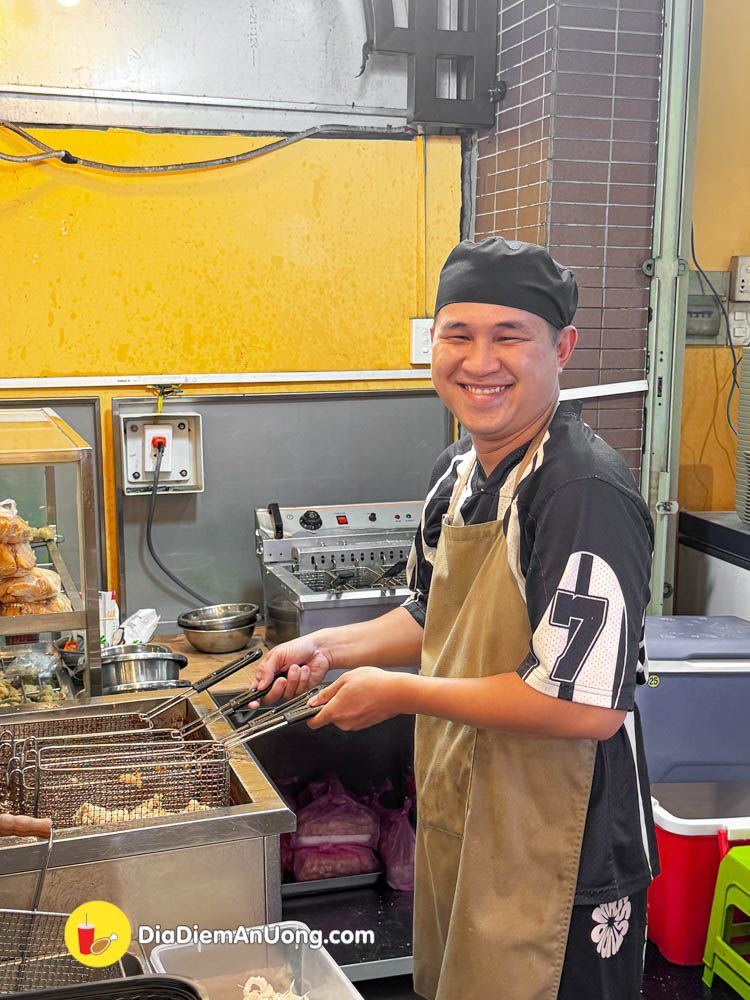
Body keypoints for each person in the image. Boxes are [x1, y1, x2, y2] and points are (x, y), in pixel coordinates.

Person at [253, 237, 659, 1000]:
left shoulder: (581, 493)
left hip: (565, 842)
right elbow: (431, 611)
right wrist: (326, 647)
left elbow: (585, 707)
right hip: (472, 811)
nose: (480, 361)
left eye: (510, 336)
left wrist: (400, 693)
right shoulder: (458, 470)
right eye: (458, 335)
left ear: (562, 348)